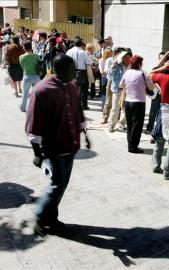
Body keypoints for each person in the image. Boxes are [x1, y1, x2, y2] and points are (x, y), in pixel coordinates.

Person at [26, 54, 86, 236]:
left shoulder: (73, 85)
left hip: (71, 144)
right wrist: (37, 152)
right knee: (57, 184)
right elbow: (32, 125)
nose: (75, 73)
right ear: (58, 71)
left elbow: (78, 109)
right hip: (54, 147)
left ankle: (51, 217)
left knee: (62, 184)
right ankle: (39, 215)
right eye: (71, 71)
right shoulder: (40, 91)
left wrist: (85, 132)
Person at [120, 55, 154, 153]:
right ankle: (133, 147)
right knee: (137, 125)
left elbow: (121, 85)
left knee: (130, 124)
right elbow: (151, 88)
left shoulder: (127, 72)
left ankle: (130, 144)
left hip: (128, 102)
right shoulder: (143, 74)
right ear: (139, 64)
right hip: (139, 103)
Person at [66, 38, 92, 110]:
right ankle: (83, 105)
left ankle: (72, 104)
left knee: (72, 88)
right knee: (83, 89)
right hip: (82, 72)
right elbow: (89, 62)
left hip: (71, 72)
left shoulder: (69, 51)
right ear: (81, 44)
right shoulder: (83, 52)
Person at [108, 50, 130, 132]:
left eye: (128, 57)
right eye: (125, 57)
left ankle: (121, 123)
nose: (127, 59)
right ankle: (112, 124)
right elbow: (110, 76)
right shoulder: (118, 65)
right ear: (122, 58)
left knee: (125, 108)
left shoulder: (132, 66)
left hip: (128, 90)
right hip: (118, 89)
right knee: (115, 108)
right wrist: (113, 66)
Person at [101, 47, 123, 124]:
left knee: (119, 102)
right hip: (110, 81)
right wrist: (114, 65)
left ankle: (117, 119)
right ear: (116, 53)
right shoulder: (109, 60)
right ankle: (105, 117)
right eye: (120, 53)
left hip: (120, 82)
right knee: (108, 101)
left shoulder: (123, 61)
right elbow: (106, 71)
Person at [146, 51, 166, 134]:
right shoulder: (156, 69)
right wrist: (158, 87)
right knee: (153, 110)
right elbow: (150, 78)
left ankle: (159, 128)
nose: (162, 60)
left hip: (165, 94)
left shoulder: (168, 69)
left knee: (161, 112)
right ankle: (149, 127)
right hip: (156, 92)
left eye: (164, 58)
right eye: (161, 58)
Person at [19, 41, 40, 112]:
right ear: (31, 48)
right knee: (36, 94)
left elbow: (22, 66)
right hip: (36, 76)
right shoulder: (36, 56)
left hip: (27, 76)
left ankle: (23, 108)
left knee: (25, 94)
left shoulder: (21, 57)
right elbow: (39, 65)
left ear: (24, 48)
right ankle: (36, 108)